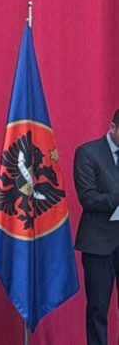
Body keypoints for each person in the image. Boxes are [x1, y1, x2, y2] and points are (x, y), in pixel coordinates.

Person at [74, 108, 119, 345]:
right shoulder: (88, 153)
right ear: (113, 128)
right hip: (99, 245)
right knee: (98, 309)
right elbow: (88, 198)